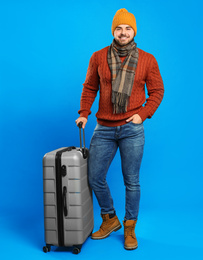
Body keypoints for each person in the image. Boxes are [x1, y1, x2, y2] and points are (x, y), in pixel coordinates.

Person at [75, 8, 164, 250]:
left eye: (127, 28)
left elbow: (157, 92)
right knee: (94, 177)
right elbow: (89, 87)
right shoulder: (98, 57)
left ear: (134, 31)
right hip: (103, 128)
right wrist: (84, 113)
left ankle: (130, 228)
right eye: (118, 28)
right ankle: (110, 219)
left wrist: (142, 115)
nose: (123, 33)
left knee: (131, 181)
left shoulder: (147, 59)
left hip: (131, 129)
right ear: (113, 31)